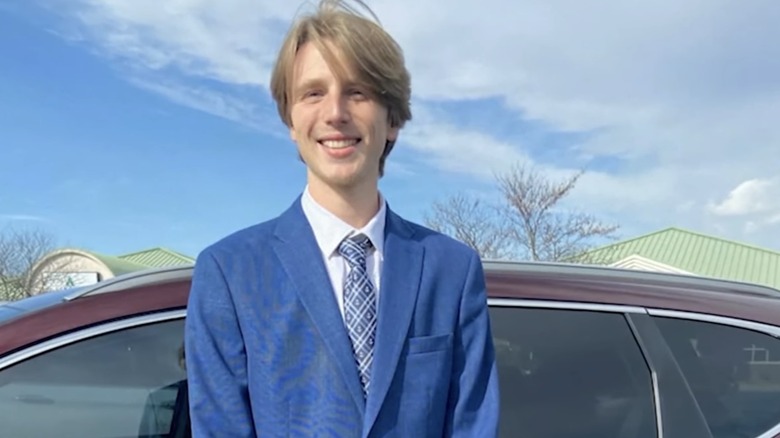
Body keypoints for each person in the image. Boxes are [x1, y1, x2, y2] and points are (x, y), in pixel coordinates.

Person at [184, 0, 500, 436]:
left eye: (358, 91)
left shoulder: (452, 271)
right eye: (313, 92)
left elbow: (471, 426)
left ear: (392, 120)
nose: (335, 112)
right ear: (290, 120)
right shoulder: (229, 273)